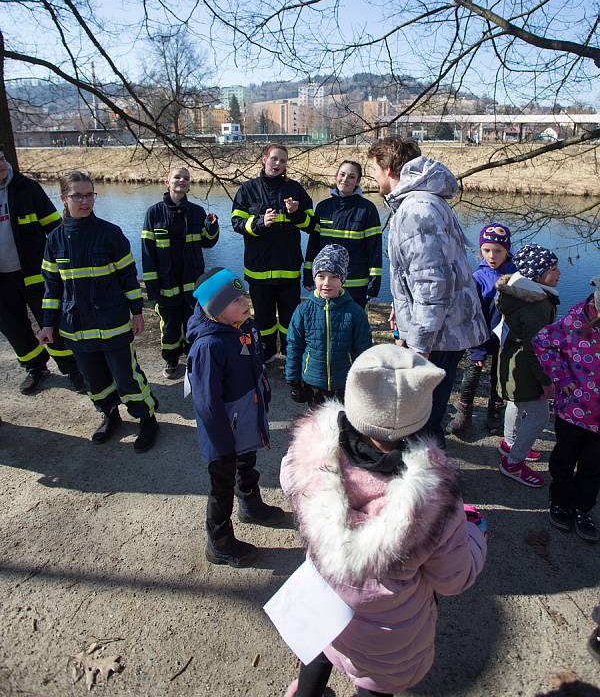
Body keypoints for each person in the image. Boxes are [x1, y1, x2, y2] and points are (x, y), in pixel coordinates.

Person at [280, 345, 487, 697]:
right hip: (385, 636)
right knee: (377, 684)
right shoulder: (435, 503)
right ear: (421, 414)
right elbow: (453, 579)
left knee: (318, 649)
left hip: (322, 602)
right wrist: (475, 535)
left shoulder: (308, 459)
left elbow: (288, 482)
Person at [367, 137, 487, 449]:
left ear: (390, 169)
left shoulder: (415, 209)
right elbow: (419, 273)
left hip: (437, 335)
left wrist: (420, 344)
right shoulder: (424, 201)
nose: (374, 178)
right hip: (441, 329)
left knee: (421, 419)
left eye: (375, 170)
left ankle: (432, 489)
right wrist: (399, 303)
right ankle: (430, 481)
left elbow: (433, 284)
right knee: (425, 414)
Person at [38, 171, 159, 453]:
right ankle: (110, 415)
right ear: (63, 199)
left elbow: (129, 277)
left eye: (89, 194)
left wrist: (137, 312)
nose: (85, 201)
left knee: (127, 377)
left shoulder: (110, 234)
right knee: (94, 380)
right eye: (77, 195)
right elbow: (52, 287)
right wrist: (47, 324)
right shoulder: (55, 240)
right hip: (75, 327)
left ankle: (146, 418)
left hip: (113, 323)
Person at [186, 267, 285, 568]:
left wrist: (263, 394)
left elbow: (255, 364)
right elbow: (207, 403)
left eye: (243, 295)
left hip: (246, 418)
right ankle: (219, 542)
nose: (244, 302)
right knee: (222, 484)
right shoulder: (208, 346)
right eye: (235, 300)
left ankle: (250, 504)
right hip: (223, 432)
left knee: (247, 462)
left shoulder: (245, 326)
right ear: (215, 310)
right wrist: (221, 442)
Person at [0, 147, 83, 395]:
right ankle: (35, 367)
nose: (1, 164)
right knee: (13, 326)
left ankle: (73, 369)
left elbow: (55, 229)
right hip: (2, 280)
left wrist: (67, 265)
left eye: (1, 158)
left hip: (36, 274)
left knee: (52, 322)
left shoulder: (27, 189)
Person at [231, 143, 314, 362]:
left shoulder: (295, 189)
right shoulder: (248, 189)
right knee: (264, 319)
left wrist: (296, 214)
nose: (278, 164)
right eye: (274, 159)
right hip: (259, 271)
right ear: (264, 159)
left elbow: (311, 224)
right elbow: (236, 223)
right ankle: (266, 352)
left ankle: (289, 353)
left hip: (287, 270)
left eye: (283, 161)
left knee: (289, 318)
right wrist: (260, 222)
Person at [532, 275, 600, 541]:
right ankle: (560, 501)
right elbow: (541, 342)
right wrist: (563, 376)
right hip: (573, 410)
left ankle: (583, 509)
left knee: (593, 467)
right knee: (564, 460)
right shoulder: (575, 322)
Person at [142, 165, 219, 379]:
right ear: (167, 181)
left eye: (186, 178)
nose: (181, 181)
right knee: (170, 326)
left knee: (195, 323)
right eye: (177, 177)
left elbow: (208, 243)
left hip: (193, 285)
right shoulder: (154, 213)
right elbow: (147, 255)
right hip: (166, 285)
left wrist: (212, 228)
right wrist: (152, 289)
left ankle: (196, 358)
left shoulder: (196, 212)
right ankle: (171, 360)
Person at [496, 243, 560, 488]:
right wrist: (546, 381)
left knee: (515, 402)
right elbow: (537, 347)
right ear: (536, 274)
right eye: (553, 268)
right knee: (539, 415)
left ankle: (510, 442)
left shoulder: (514, 292)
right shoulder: (537, 304)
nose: (558, 273)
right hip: (525, 368)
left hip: (512, 359)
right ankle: (513, 462)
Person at [449, 222, 517, 438]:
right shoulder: (478, 278)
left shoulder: (516, 275)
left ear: (507, 250)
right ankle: (464, 411)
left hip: (505, 339)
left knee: (500, 377)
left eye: (498, 251)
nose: (492, 256)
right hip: (480, 336)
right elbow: (472, 314)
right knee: (472, 373)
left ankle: (494, 412)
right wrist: (477, 348)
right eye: (486, 250)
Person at [285, 244, 372, 408]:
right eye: (321, 276)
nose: (326, 282)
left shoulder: (355, 312)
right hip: (313, 382)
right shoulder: (304, 310)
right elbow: (294, 345)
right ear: (314, 278)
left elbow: (363, 348)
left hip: (344, 382)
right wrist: (293, 379)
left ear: (343, 279)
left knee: (344, 426)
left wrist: (364, 379)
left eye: (334, 277)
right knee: (318, 426)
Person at [303, 160, 382, 307]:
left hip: (356, 283)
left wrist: (374, 282)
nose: (345, 179)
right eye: (342, 174)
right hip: (328, 283)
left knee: (354, 326)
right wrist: (308, 273)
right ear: (336, 176)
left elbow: (374, 249)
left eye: (351, 176)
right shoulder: (323, 207)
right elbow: (314, 245)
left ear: (358, 181)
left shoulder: (367, 209)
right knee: (327, 324)